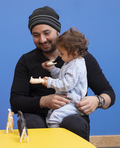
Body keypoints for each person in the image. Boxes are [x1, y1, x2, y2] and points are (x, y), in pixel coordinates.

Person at [10, 6, 115, 141]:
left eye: (47, 33)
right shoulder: (26, 61)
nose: (42, 40)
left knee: (73, 123)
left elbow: (108, 93)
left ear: (58, 31)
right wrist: (43, 101)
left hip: (71, 113)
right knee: (32, 123)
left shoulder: (81, 59)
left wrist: (97, 101)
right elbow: (15, 101)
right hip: (37, 116)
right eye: (36, 35)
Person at [40, 27, 88, 128]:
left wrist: (50, 83)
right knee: (49, 116)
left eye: (62, 53)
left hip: (73, 103)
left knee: (54, 120)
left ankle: (56, 140)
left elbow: (66, 84)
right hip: (66, 101)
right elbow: (62, 77)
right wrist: (52, 69)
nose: (60, 56)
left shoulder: (76, 66)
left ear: (74, 53)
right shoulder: (70, 62)